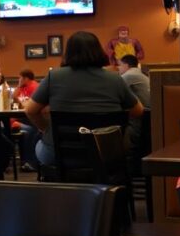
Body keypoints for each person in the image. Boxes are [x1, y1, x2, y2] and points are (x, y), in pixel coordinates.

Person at [25, 31, 143, 166]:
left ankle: (58, 184)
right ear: (98, 51)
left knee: (39, 145)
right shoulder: (115, 79)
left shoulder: (54, 77)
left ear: (68, 53)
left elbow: (30, 110)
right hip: (105, 153)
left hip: (61, 153)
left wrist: (46, 128)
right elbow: (138, 111)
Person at [11, 69, 40, 172]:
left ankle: (29, 162)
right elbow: (15, 101)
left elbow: (29, 107)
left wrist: (17, 99)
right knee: (28, 130)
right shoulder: (22, 88)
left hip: (32, 119)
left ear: (25, 78)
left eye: (20, 78)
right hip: (22, 118)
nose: (18, 79)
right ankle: (26, 162)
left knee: (30, 131)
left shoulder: (34, 87)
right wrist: (18, 88)